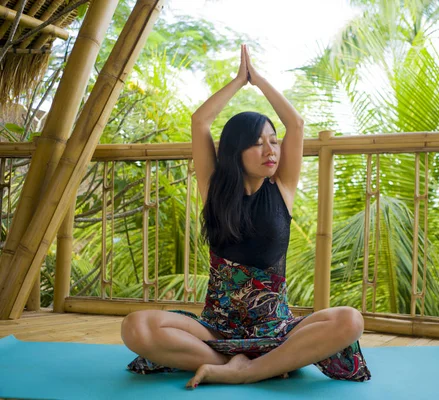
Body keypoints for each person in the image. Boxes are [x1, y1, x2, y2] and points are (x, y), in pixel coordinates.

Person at [120, 45, 370, 388]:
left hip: (276, 329)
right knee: (136, 326)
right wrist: (239, 81)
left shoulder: (282, 188)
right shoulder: (215, 190)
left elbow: (295, 123)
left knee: (349, 320)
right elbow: (200, 121)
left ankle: (246, 371)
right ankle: (237, 363)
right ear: (235, 152)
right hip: (215, 329)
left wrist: (260, 80)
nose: (270, 150)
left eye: (273, 141)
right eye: (257, 143)